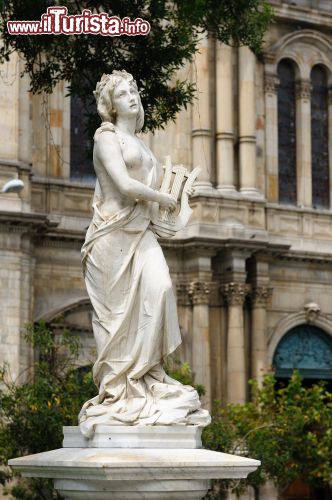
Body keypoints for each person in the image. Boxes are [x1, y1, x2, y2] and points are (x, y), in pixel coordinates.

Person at [79, 70, 210, 437]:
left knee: (162, 289)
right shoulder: (106, 138)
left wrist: (174, 209)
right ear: (111, 104)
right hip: (111, 236)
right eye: (123, 93)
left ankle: (149, 376)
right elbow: (122, 184)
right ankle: (121, 389)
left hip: (142, 233)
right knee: (117, 319)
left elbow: (149, 200)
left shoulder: (144, 145)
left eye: (134, 89)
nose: (132, 96)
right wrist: (161, 197)